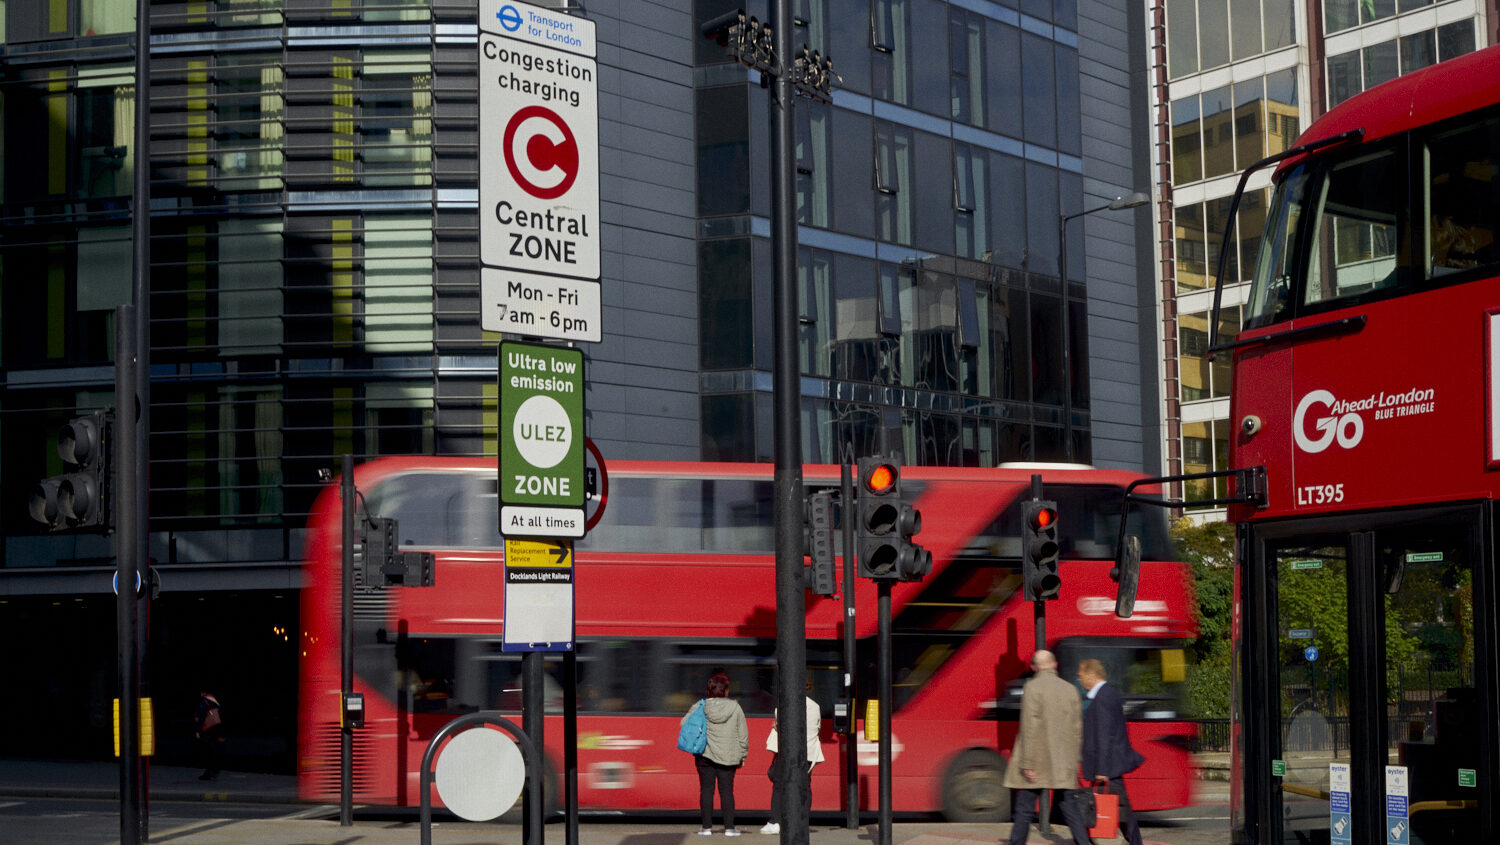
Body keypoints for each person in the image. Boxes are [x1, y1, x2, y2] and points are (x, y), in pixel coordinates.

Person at [1001, 650, 1091, 845]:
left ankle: (1016, 842)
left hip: (1038, 761)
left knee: (1024, 807)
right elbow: (1077, 729)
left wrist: (1027, 763)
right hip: (1063, 762)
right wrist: (1075, 760)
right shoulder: (1071, 689)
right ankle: (1084, 843)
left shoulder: (1033, 687)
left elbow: (1029, 727)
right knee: (1069, 806)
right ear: (1054, 665)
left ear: (1034, 667)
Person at [1078, 658, 1147, 845]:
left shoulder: (1103, 697)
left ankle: (1133, 841)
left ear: (1091, 675)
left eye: (1081, 675)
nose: (1080, 679)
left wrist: (1102, 769)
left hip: (1108, 766)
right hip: (1109, 764)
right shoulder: (1108, 694)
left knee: (1118, 810)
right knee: (1118, 808)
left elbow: (1104, 735)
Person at [685, 671, 748, 836]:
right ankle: (729, 828)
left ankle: (706, 828)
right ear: (726, 690)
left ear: (709, 689)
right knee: (726, 791)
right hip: (728, 757)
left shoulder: (701, 706)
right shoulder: (735, 707)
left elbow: (685, 723)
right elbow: (743, 735)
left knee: (706, 790)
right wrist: (743, 755)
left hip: (705, 756)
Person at [761, 694, 823, 834]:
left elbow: (783, 727)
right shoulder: (815, 706)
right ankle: (802, 821)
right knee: (805, 786)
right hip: (809, 752)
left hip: (788, 751)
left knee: (779, 785)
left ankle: (775, 821)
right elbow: (817, 727)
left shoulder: (785, 704)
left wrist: (776, 727)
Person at [193, 691, 226, 781]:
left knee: (208, 751)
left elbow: (201, 715)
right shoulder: (215, 701)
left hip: (209, 729)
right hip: (217, 730)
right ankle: (213, 771)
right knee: (215, 751)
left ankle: (209, 772)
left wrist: (198, 731)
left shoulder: (204, 702)